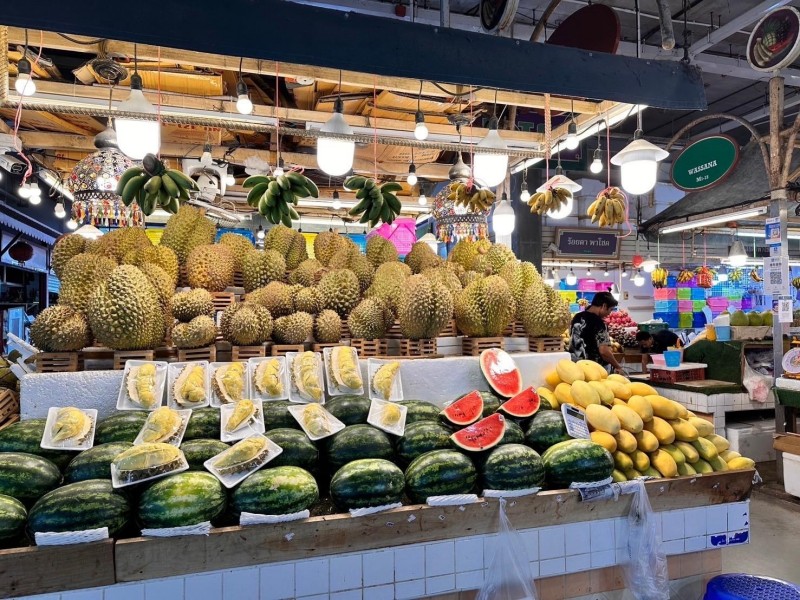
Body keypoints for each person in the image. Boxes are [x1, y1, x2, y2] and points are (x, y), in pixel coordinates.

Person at [568, 291, 627, 374]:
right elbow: (604, 351)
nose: (609, 313)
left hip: (575, 367)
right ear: (604, 306)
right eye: (610, 309)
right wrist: (617, 366)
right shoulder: (599, 323)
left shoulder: (577, 317)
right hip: (594, 370)